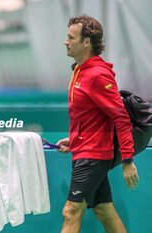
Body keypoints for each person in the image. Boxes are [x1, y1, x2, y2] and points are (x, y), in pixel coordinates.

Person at [57, 15, 139, 233]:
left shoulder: (98, 76)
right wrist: (74, 140)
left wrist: (128, 160)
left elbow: (120, 117)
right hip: (84, 151)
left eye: (70, 37)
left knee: (71, 211)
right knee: (104, 211)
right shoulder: (79, 71)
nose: (66, 41)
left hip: (93, 157)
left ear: (86, 42)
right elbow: (88, 117)